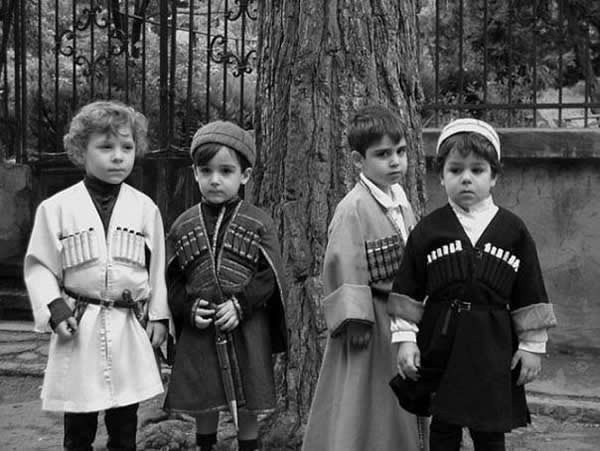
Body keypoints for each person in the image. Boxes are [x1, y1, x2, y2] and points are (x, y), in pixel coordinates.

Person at [388, 118, 558, 451]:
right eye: (455, 170)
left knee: (490, 429)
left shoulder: (513, 231)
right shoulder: (428, 230)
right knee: (443, 424)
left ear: (494, 176)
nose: (466, 178)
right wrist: (406, 341)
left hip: (492, 345)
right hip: (442, 342)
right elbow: (407, 290)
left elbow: (530, 291)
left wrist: (531, 347)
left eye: (477, 170)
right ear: (441, 176)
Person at [23, 100, 170, 450]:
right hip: (79, 324)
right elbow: (39, 264)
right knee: (79, 417)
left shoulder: (144, 208)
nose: (118, 157)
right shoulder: (57, 208)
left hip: (127, 325)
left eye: (127, 148)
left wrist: (159, 316)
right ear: (81, 151)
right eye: (106, 147)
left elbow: (158, 267)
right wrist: (55, 308)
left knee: (125, 417)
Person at [302, 105, 428, 451]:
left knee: (394, 397)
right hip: (369, 324)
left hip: (398, 320)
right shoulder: (353, 207)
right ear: (359, 160)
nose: (395, 162)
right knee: (363, 397)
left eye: (401, 151)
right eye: (383, 154)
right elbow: (344, 262)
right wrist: (355, 318)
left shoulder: (401, 201)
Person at [163, 120, 287, 451]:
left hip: (247, 325)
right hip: (201, 327)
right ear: (195, 173)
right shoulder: (182, 225)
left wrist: (241, 305)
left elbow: (270, 276)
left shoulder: (259, 222)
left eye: (226, 171)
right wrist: (189, 308)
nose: (215, 179)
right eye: (206, 170)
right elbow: (172, 281)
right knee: (204, 397)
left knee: (249, 398)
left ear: (244, 176)